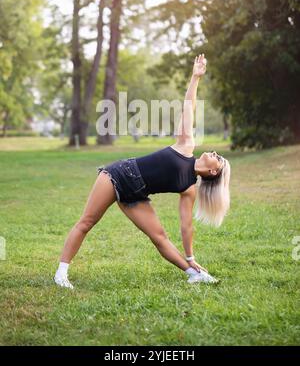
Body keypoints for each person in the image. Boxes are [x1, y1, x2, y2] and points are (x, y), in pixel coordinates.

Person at [54, 54, 231, 289]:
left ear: (212, 173)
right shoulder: (186, 145)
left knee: (159, 238)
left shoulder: (189, 188)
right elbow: (189, 107)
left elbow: (186, 226)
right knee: (87, 222)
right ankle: (61, 273)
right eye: (218, 154)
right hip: (118, 175)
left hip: (136, 194)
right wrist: (195, 77)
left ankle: (193, 273)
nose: (214, 154)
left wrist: (191, 257)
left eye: (218, 159)